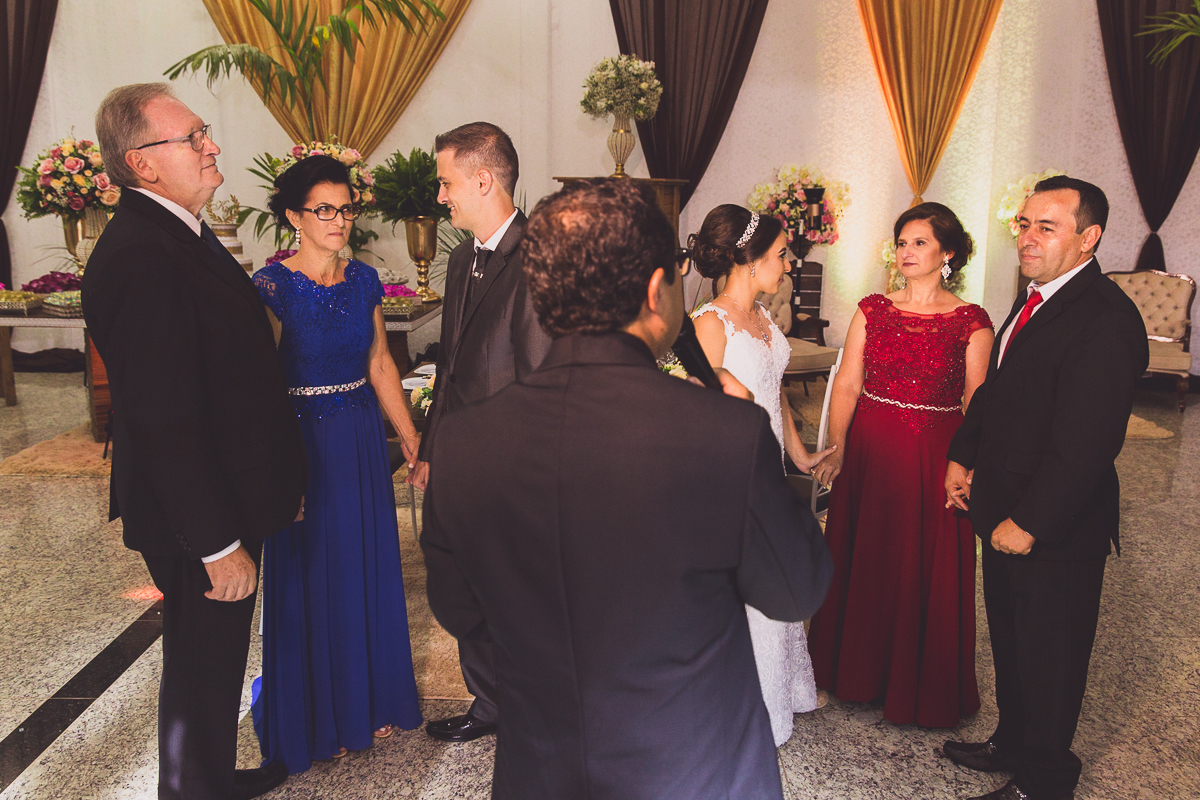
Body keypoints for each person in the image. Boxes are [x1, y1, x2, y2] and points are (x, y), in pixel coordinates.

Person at [420, 177, 834, 800]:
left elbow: (462, 611)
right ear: (653, 289)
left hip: (543, 767)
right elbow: (797, 587)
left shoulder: (463, 443)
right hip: (696, 766)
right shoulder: (724, 433)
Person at [82, 83, 307, 800]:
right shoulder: (141, 254)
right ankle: (191, 789)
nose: (211, 146)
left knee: (211, 661)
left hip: (226, 491)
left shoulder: (179, 231)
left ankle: (203, 779)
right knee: (203, 660)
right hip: (197, 516)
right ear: (142, 163)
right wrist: (216, 543)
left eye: (204, 131)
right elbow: (162, 418)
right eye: (192, 137)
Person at [942, 177, 1147, 800]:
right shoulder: (1035, 297)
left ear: (1089, 238)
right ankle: (1012, 742)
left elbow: (1088, 444)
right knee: (1012, 641)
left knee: (1051, 659)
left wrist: (1030, 521)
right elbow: (999, 391)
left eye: (1046, 227)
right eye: (1024, 224)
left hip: (1056, 528)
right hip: (1002, 506)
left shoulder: (1107, 318)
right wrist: (962, 456)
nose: (1027, 238)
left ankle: (1045, 780)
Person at [247, 155, 423, 772]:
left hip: (357, 437)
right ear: (294, 217)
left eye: (346, 209)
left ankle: (366, 700)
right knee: (310, 574)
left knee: (362, 566)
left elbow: (380, 362)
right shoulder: (271, 287)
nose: (339, 220)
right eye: (324, 210)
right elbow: (259, 385)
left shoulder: (365, 280)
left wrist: (409, 437)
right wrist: (272, 469)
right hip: (299, 441)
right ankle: (318, 714)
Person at [807, 202, 994, 727]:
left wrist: (971, 465)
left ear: (947, 253)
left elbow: (977, 402)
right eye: (902, 243)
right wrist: (839, 446)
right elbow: (848, 383)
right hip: (870, 447)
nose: (906, 252)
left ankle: (918, 685)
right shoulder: (872, 310)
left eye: (919, 243)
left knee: (921, 562)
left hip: (936, 453)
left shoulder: (972, 321)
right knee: (865, 553)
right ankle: (853, 673)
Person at [413, 121, 551, 743]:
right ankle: (491, 700)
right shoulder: (460, 256)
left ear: (484, 179)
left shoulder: (540, 259)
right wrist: (430, 449)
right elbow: (449, 363)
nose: (441, 196)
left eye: (447, 183)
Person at [690, 204, 836, 746]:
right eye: (780, 255)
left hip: (769, 469)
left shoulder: (763, 317)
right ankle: (742, 710)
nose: (788, 265)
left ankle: (781, 691)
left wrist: (799, 456)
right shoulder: (711, 323)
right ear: (748, 259)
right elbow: (698, 413)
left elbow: (774, 393)